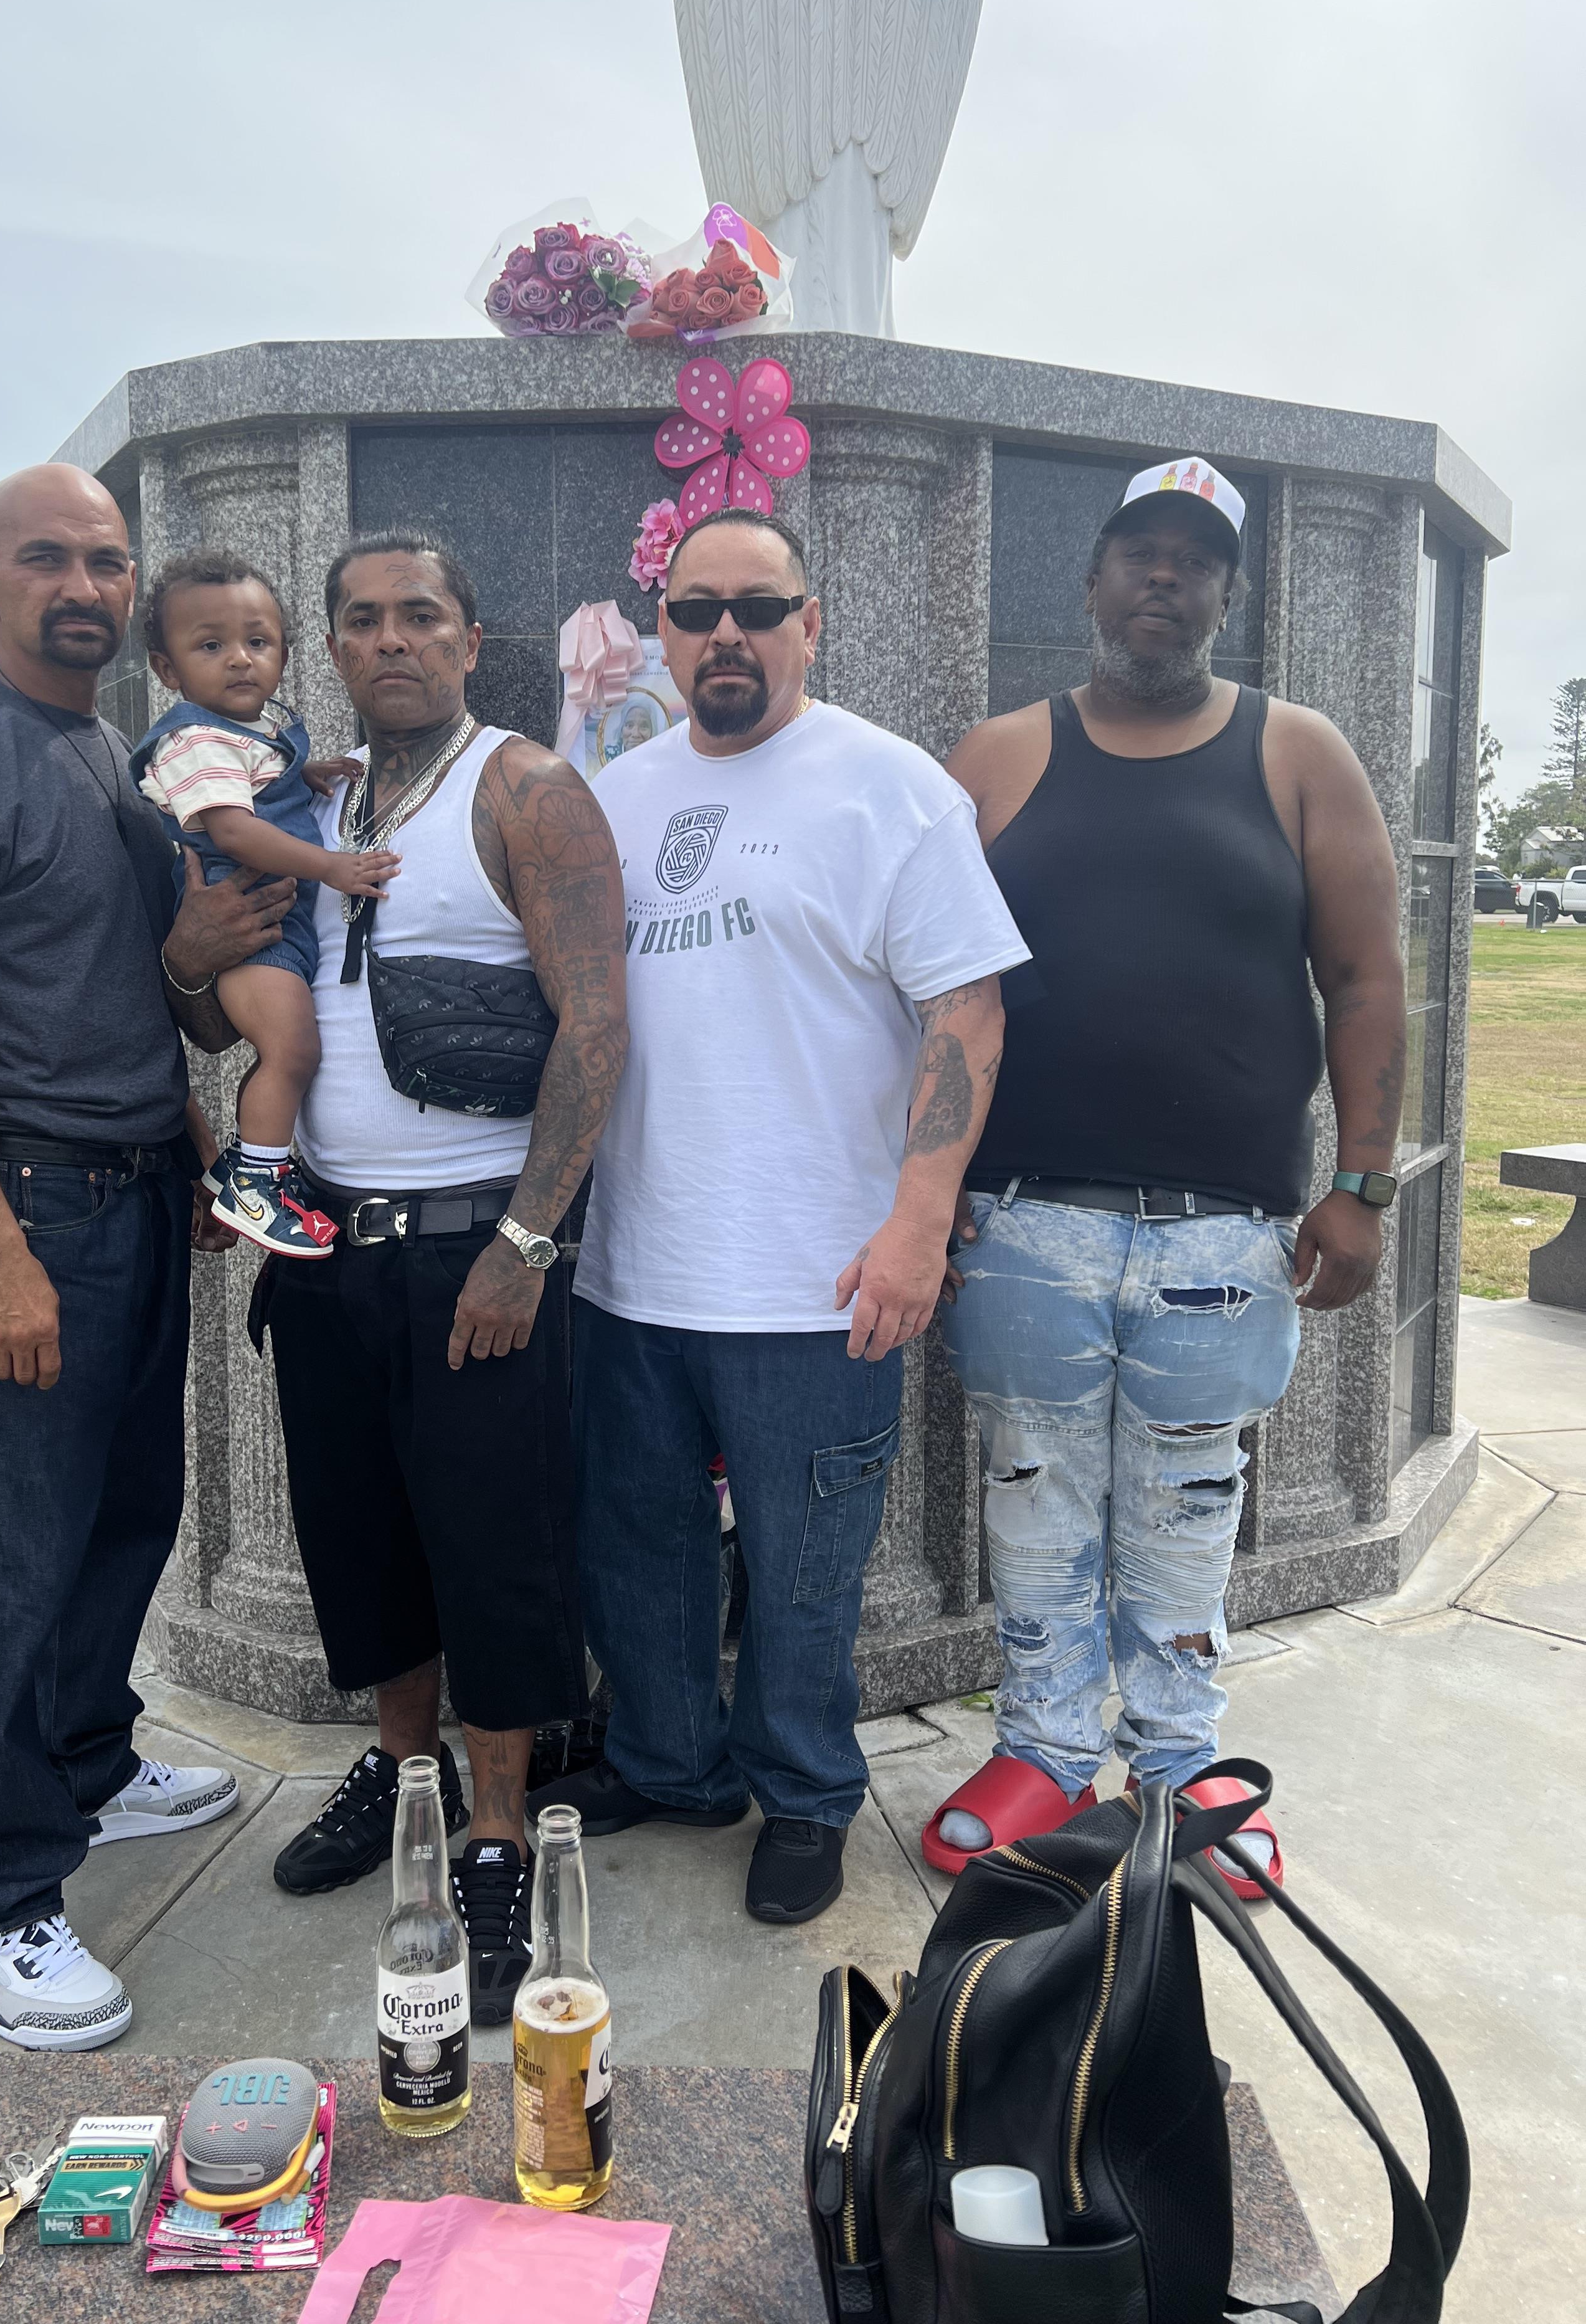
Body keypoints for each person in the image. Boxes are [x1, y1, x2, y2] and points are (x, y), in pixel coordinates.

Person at [0, 464, 297, 2051]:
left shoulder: (123, 760)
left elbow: (131, 989)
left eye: (108, 561)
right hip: (20, 1211)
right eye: (48, 560)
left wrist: (181, 1125)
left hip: (129, 1196)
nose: (85, 587)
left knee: (127, 1512)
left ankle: (88, 1760)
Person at [534, 507, 1029, 1927]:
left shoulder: (888, 789)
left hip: (820, 1281)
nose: (728, 635)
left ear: (813, 623)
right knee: (642, 1551)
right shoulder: (619, 796)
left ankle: (805, 1794)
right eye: (698, 612)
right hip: (636, 1270)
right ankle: (669, 1762)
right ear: (664, 631)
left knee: (809, 1575)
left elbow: (967, 1012)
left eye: (762, 607)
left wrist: (920, 1221)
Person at [923, 457, 1406, 1897]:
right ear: (1091, 584)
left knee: (1191, 1510)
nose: (1163, 581)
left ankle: (1183, 1766)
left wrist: (1365, 1185)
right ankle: (1047, 1753)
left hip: (1222, 1231)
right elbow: (929, 990)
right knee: (1032, 1494)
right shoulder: (997, 759)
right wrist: (923, 1189)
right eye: (1141, 554)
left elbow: (1369, 978)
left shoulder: (1299, 752)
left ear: (1226, 597)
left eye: (1195, 562)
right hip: (1025, 1222)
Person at [166, 531, 627, 2024]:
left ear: (472, 634)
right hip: (324, 1246)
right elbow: (209, 1000)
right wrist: (184, 962)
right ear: (332, 650)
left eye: (420, 614)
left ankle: (494, 1836)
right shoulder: (303, 798)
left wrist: (528, 1242)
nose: (390, 642)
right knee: (358, 1541)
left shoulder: (524, 791)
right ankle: (403, 1772)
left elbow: (598, 1030)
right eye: (359, 621)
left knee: (490, 1548)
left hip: (475, 1251)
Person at [130, 549, 396, 1256]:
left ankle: (235, 1174)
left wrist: (300, 772)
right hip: (251, 931)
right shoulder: (192, 738)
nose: (241, 660)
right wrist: (332, 867)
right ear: (167, 670)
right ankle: (260, 1185)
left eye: (258, 641)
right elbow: (234, 826)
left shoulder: (251, 735)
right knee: (293, 1049)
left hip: (279, 930)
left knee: (291, 1051)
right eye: (211, 645)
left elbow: (252, 779)